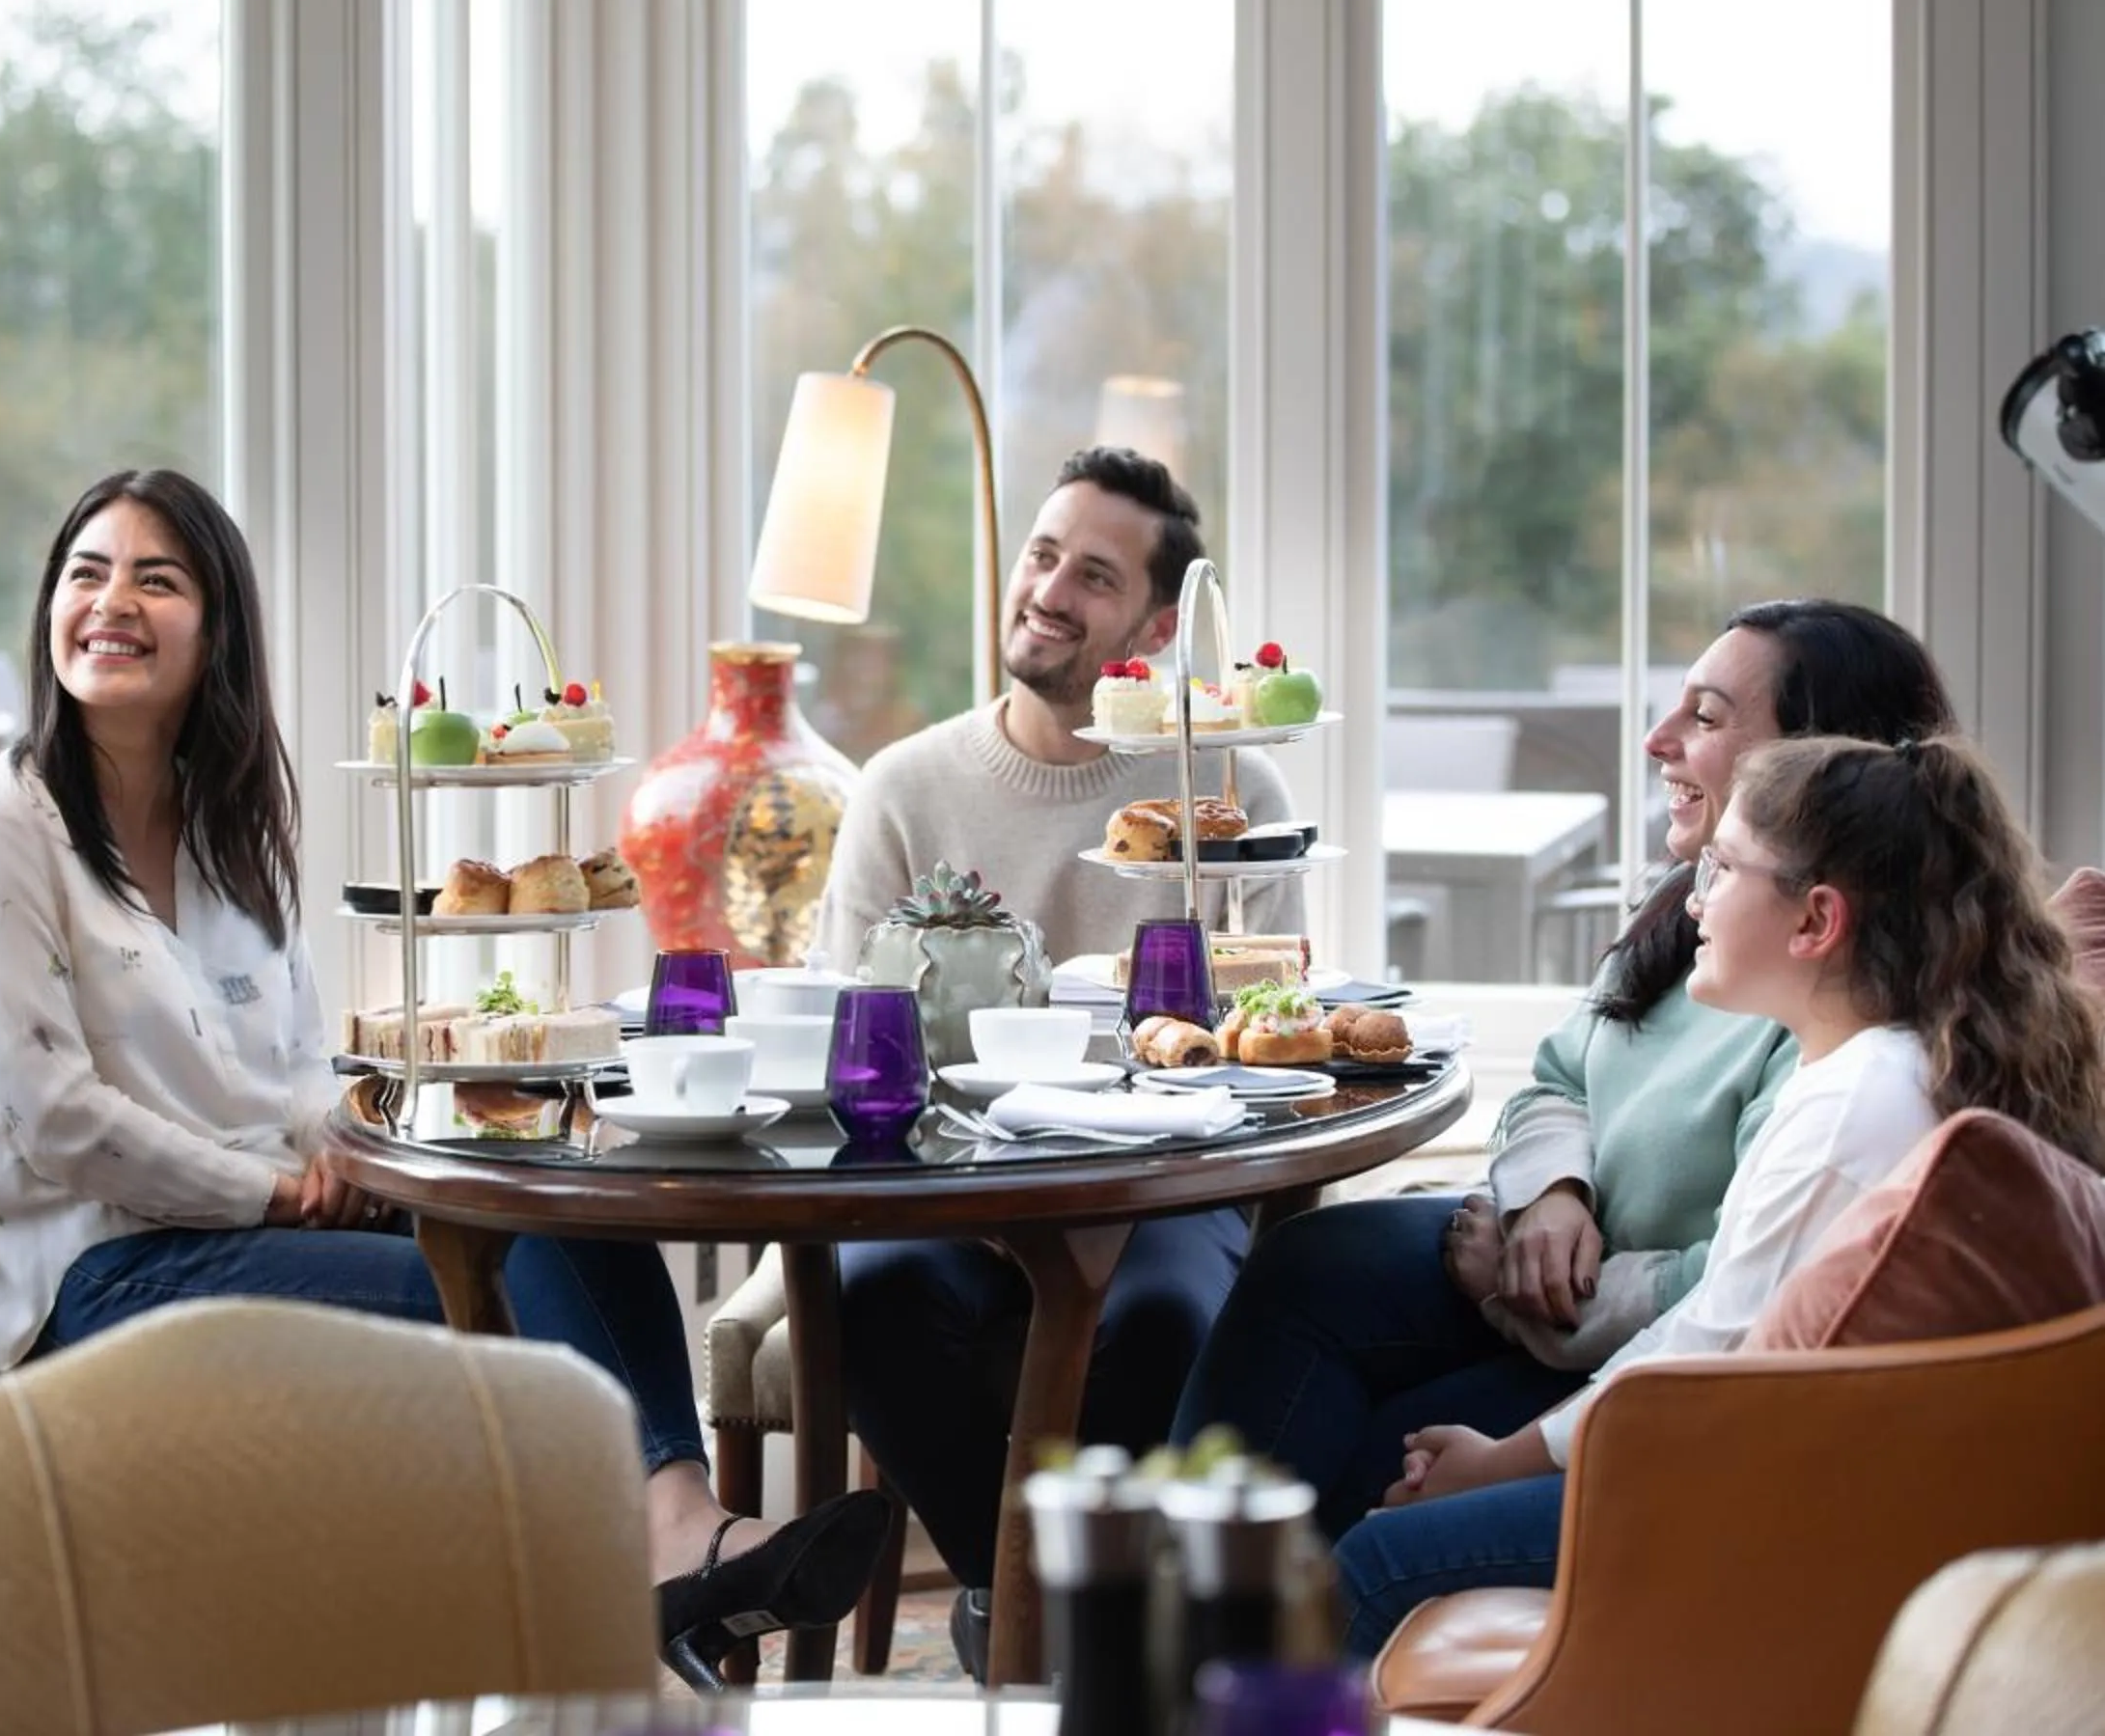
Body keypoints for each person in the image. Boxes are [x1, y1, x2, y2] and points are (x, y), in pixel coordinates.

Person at [0, 469, 894, 1691]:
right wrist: (276, 1191)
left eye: (156, 579)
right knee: (502, 1317)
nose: (113, 602)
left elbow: (299, 1072)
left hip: (245, 1240)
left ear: (215, 630)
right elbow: (51, 1120)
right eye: (88, 573)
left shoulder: (228, 834)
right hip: (97, 1281)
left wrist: (353, 1157)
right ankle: (649, 1610)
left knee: (554, 1210)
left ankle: (675, 1541)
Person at [1171, 601, 1956, 1550]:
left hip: (1612, 1321)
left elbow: (1738, 1293)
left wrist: (1522, 1289)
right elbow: (1557, 1074)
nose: (1658, 741)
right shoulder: (1692, 905)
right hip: (1558, 1259)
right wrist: (1551, 1193)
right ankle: (1162, 1618)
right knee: (1307, 1263)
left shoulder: (1827, 998)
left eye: (1706, 718)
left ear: (1825, 761)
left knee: (1378, 1455)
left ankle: (1237, 1647)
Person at [1327, 730, 2105, 1654]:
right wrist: (1507, 1458)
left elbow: (1704, 1352)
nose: (1693, 898)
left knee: (1374, 1567)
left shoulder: (1858, 1107)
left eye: (1725, 869)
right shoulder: (1883, 1065)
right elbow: (1708, 1322)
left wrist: (1500, 1463)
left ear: (1816, 922)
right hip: (1790, 1478)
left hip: (1770, 1515)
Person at [817, 447, 1295, 1678]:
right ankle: (1041, 1617)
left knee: (1162, 1320)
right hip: (942, 1178)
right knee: (869, 1303)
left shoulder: (1229, 781)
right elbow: (845, 1029)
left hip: (1166, 1185)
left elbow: (1265, 1025)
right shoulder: (906, 786)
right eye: (1042, 554)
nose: (1049, 589)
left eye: (1094, 574)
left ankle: (1047, 1632)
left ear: (1152, 622)